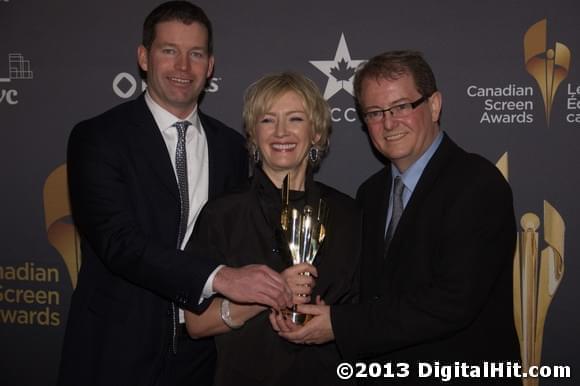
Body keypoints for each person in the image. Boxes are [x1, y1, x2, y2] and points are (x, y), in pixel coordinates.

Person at [57, 2, 292, 386]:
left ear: (210, 65)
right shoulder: (98, 138)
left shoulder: (232, 148)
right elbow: (119, 243)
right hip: (116, 350)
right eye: (169, 51)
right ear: (144, 57)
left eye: (195, 54)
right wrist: (219, 277)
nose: (183, 67)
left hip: (203, 355)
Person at [274, 51, 520, 385]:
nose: (389, 123)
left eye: (402, 106)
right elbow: (372, 291)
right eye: (375, 113)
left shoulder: (477, 183)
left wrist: (340, 323)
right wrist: (314, 308)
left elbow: (452, 302)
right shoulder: (370, 193)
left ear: (434, 106)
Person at [184, 72, 361, 386]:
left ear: (317, 132)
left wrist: (334, 322)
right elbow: (195, 324)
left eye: (295, 118)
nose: (281, 132)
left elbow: (369, 313)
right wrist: (268, 294)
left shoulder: (349, 213)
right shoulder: (222, 215)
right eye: (267, 120)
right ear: (253, 134)